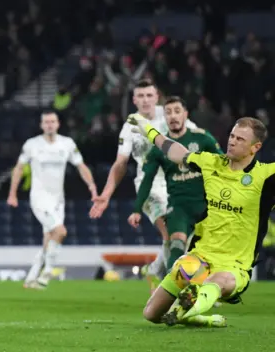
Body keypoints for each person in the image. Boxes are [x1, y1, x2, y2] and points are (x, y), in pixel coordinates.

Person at [130, 114, 272, 327]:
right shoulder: (211, 163)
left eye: (240, 139)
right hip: (201, 258)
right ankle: (196, 315)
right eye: (232, 136)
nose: (232, 141)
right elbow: (177, 152)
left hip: (235, 267)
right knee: (151, 314)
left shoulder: (267, 176)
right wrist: (148, 130)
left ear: (255, 147)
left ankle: (188, 305)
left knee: (219, 281)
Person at [89, 80, 199, 291]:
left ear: (156, 97)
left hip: (177, 184)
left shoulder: (170, 115)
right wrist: (106, 194)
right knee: (170, 231)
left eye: (149, 95)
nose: (145, 100)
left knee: (184, 237)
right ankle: (177, 288)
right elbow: (120, 164)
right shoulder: (131, 125)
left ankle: (154, 270)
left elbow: (196, 138)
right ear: (134, 100)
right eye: (141, 96)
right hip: (149, 187)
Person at [128, 96, 223, 272]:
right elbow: (147, 179)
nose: (173, 116)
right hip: (178, 207)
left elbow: (224, 165)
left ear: (185, 114)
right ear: (164, 117)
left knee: (207, 253)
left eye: (177, 111)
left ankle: (208, 290)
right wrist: (136, 209)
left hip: (206, 206)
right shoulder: (158, 149)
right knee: (176, 243)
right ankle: (175, 290)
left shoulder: (202, 139)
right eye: (168, 112)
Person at [7, 111, 98, 289]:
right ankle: (47, 273)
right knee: (60, 231)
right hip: (39, 199)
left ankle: (31, 277)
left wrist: (92, 186)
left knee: (49, 238)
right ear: (41, 125)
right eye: (46, 122)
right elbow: (18, 168)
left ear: (58, 124)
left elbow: (81, 166)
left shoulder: (67, 144)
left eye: (52, 121)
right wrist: (12, 193)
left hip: (58, 200)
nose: (49, 124)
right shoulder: (32, 144)